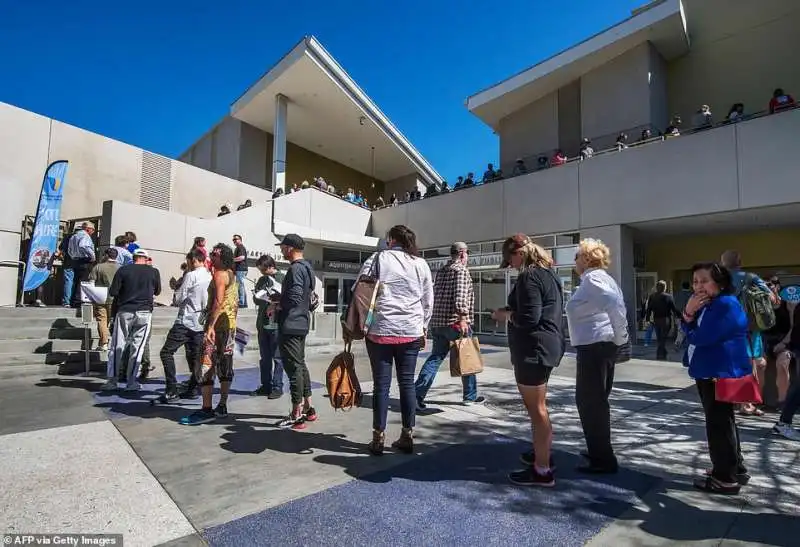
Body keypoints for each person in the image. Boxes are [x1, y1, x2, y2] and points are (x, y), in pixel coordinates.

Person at [492, 234, 565, 487]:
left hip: (533, 349)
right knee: (539, 408)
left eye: (509, 260)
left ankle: (542, 470)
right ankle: (542, 455)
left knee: (537, 410)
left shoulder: (529, 276)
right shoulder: (550, 274)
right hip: (547, 347)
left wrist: (505, 315)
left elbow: (528, 318)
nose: (510, 265)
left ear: (519, 254)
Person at [356, 225, 433, 456]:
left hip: (380, 329)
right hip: (410, 330)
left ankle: (378, 438)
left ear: (390, 240)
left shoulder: (377, 259)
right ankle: (407, 435)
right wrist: (423, 327)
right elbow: (428, 300)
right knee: (407, 384)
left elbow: (358, 288)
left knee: (382, 386)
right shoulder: (421, 264)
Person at [681, 262, 752, 494]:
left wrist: (689, 314)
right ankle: (733, 466)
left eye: (704, 281)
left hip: (718, 371)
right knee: (723, 421)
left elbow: (700, 337)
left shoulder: (723, 305)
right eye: (695, 281)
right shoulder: (712, 304)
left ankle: (725, 477)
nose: (698, 286)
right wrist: (690, 314)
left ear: (719, 283)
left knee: (718, 423)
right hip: (714, 370)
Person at [566, 238, 629, 474]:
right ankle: (598, 451)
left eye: (576, 257)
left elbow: (614, 305)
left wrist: (621, 339)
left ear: (585, 258)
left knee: (590, 402)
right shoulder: (601, 278)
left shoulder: (593, 279)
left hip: (595, 347)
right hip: (598, 346)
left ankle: (602, 458)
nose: (574, 262)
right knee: (595, 402)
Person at [414, 242, 484, 409]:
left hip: (438, 323)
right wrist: (463, 318)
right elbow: (460, 297)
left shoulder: (442, 271)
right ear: (461, 254)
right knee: (467, 356)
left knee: (435, 358)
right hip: (455, 323)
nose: (467, 257)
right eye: (467, 254)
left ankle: (417, 395)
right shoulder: (461, 271)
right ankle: (470, 396)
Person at [180, 244, 239, 425]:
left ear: (224, 257)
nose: (211, 257)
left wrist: (210, 327)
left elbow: (219, 301)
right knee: (225, 365)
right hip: (230, 326)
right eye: (212, 254)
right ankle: (222, 405)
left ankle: (207, 408)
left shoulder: (220, 274)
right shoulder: (231, 273)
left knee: (206, 365)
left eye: (215, 255)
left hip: (219, 327)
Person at [720, 250, 773, 416]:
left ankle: (737, 401)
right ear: (740, 262)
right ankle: (748, 403)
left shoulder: (718, 279)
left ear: (723, 263)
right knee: (753, 364)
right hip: (749, 327)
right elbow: (771, 297)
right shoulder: (751, 278)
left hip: (726, 329)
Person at [275, 234, 317, 429]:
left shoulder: (295, 269)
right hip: (301, 323)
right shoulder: (307, 268)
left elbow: (295, 296)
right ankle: (309, 407)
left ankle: (296, 413)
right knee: (300, 365)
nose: (281, 250)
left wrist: (277, 305)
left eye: (283, 247)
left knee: (293, 368)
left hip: (290, 324)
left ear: (290, 248)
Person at [103, 249, 161, 391]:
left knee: (117, 345)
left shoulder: (123, 270)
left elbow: (113, 292)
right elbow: (157, 291)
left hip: (125, 310)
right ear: (146, 259)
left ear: (133, 257)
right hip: (144, 311)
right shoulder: (153, 272)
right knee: (138, 347)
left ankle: (112, 381)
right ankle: (131, 381)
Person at [158, 249, 211, 402]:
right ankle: (193, 388)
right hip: (200, 321)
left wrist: (177, 287)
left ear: (193, 260)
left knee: (166, 352)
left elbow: (180, 298)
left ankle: (171, 389)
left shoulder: (191, 275)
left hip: (186, 319)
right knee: (195, 357)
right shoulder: (209, 276)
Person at [251, 254, 284, 399]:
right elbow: (256, 300)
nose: (262, 274)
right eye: (260, 271)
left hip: (277, 324)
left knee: (277, 358)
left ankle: (277, 387)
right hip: (263, 323)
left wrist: (275, 299)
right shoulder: (262, 280)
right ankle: (266, 385)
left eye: (264, 270)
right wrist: (259, 296)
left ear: (271, 266)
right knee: (264, 358)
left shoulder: (282, 278)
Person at [89, 248, 119, 351]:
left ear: (106, 255)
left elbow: (91, 281)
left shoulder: (98, 267)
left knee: (102, 320)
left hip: (100, 298)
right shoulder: (120, 268)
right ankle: (116, 343)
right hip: (116, 299)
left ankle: (104, 343)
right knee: (115, 321)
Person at [645, 280, 679, 360]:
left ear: (657, 287)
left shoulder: (652, 296)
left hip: (656, 319)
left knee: (659, 337)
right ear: (665, 288)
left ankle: (662, 352)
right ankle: (660, 354)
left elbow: (649, 309)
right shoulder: (668, 296)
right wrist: (680, 316)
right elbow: (673, 308)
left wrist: (647, 319)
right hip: (666, 319)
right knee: (663, 337)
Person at [67, 222, 96, 308]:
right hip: (85, 260)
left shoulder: (74, 236)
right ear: (88, 229)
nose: (93, 232)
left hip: (76, 260)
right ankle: (79, 301)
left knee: (76, 280)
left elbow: (70, 250)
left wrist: (73, 257)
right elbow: (84, 245)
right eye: (93, 230)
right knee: (83, 280)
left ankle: (73, 300)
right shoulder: (85, 236)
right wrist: (92, 256)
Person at [232, 234, 248, 308]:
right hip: (240, 269)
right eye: (233, 240)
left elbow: (242, 257)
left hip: (240, 269)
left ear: (240, 240)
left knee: (239, 285)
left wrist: (232, 260)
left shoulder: (240, 247)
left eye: (236, 239)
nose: (234, 241)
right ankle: (244, 303)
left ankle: (241, 302)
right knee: (241, 285)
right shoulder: (238, 247)